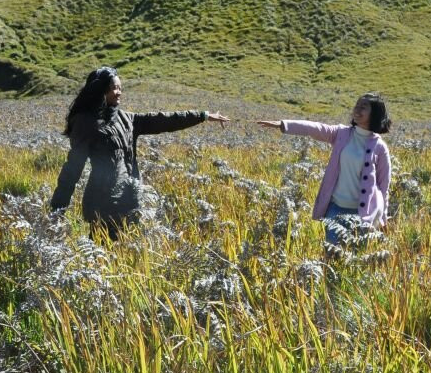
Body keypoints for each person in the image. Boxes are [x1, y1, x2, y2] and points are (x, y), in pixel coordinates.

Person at [50, 67, 229, 239]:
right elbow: (72, 170)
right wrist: (57, 210)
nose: (119, 92)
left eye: (120, 88)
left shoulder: (127, 119)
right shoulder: (85, 123)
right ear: (101, 90)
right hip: (102, 207)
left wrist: (202, 116)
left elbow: (164, 120)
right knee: (101, 259)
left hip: (129, 201)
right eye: (114, 88)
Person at [258, 93, 392, 246]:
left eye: (363, 107)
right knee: (331, 254)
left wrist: (383, 218)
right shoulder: (341, 134)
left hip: (364, 214)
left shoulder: (380, 147)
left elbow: (383, 187)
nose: (357, 109)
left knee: (354, 259)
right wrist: (283, 124)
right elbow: (315, 128)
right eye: (357, 105)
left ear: (374, 113)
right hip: (335, 208)